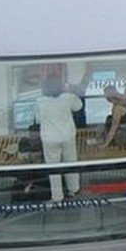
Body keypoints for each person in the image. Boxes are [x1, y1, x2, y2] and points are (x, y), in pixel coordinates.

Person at [35, 74, 83, 202]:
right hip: (67, 135)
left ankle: (57, 196)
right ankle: (73, 189)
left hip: (49, 138)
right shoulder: (68, 98)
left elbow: (38, 119)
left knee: (53, 168)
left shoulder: (40, 102)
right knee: (71, 162)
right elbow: (79, 106)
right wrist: (68, 91)